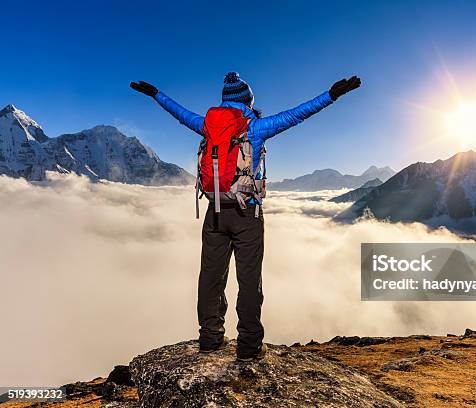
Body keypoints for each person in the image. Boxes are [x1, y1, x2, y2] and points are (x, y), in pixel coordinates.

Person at [130, 72, 361, 361]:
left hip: (214, 212)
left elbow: (180, 114)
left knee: (211, 277)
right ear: (247, 101)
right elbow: (298, 114)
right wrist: (332, 94)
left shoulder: (207, 126)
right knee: (249, 280)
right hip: (246, 213)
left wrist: (156, 94)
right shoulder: (256, 127)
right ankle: (249, 346)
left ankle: (210, 338)